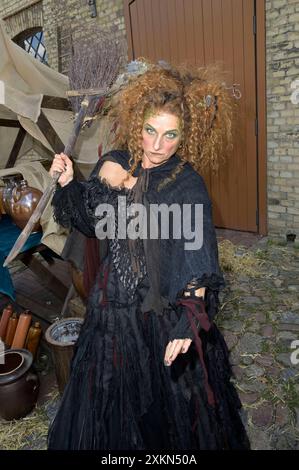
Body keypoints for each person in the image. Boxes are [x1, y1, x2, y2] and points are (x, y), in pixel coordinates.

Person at [47, 62, 250, 450]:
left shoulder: (186, 184)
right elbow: (92, 224)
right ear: (137, 125)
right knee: (107, 401)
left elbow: (197, 254)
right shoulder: (117, 163)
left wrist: (189, 319)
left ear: (184, 137)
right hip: (111, 310)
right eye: (150, 131)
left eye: (169, 135)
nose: (157, 145)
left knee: (172, 414)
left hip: (163, 313)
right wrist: (70, 181)